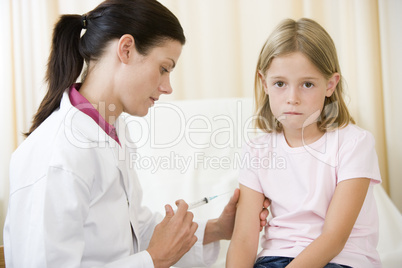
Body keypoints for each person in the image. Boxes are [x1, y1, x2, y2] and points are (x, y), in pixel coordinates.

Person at [3, 0, 270, 267]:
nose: (167, 87)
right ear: (126, 49)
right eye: (164, 68)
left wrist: (217, 229)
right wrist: (154, 260)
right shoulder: (59, 156)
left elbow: (134, 230)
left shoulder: (112, 130)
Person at [226, 18, 382, 268]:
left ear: (330, 84)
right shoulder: (256, 150)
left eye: (307, 84)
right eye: (280, 84)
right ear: (264, 83)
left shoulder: (354, 143)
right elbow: (244, 239)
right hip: (273, 260)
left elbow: (334, 238)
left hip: (340, 260)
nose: (292, 98)